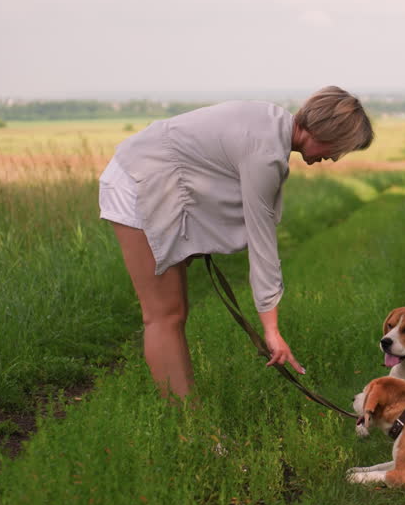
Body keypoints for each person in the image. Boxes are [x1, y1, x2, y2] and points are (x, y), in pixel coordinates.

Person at [98, 87, 374, 404]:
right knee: (164, 315)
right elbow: (262, 243)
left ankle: (187, 415)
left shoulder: (272, 123)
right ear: (327, 133)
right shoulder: (267, 153)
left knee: (175, 312)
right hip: (137, 184)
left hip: (153, 179)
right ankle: (188, 427)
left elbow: (208, 168)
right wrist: (271, 330)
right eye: (339, 148)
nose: (335, 157)